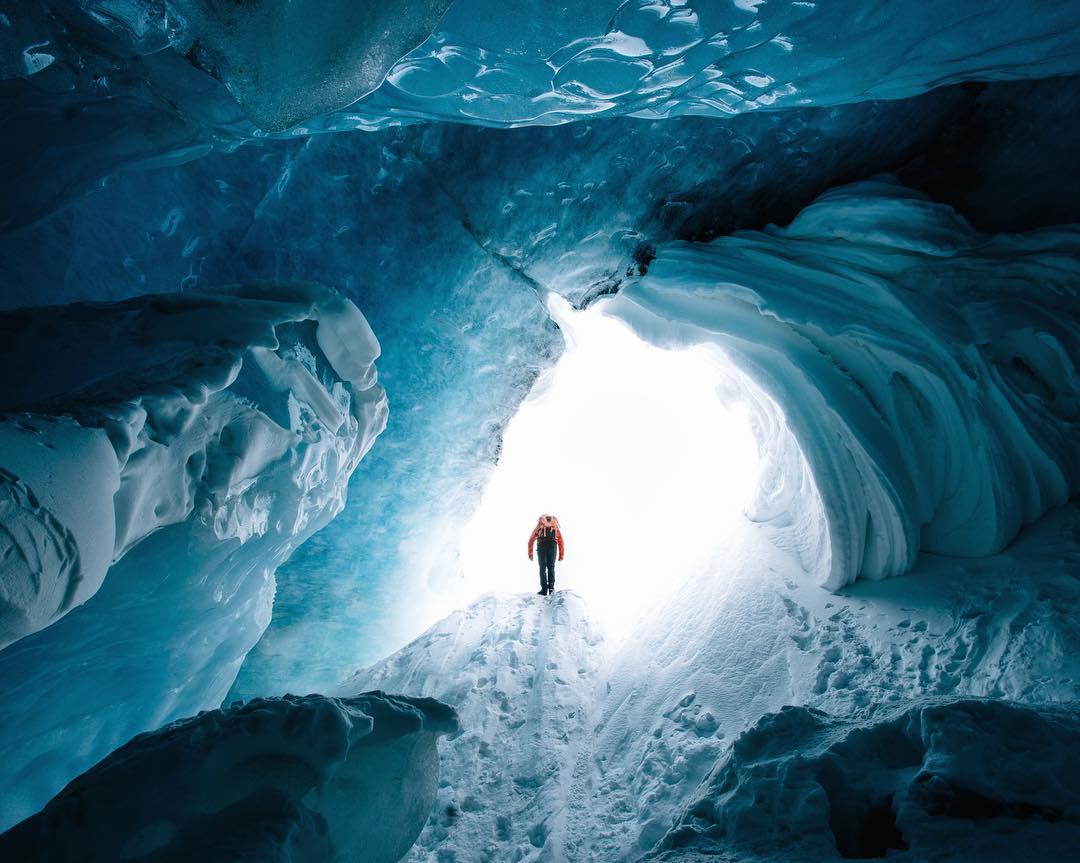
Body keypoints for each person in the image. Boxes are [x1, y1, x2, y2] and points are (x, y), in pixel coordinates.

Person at [527, 514, 565, 596]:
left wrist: (530, 553)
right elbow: (561, 541)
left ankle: (544, 589)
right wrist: (561, 555)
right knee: (551, 567)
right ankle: (551, 589)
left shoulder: (540, 526)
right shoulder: (554, 526)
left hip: (542, 545)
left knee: (542, 568)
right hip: (552, 545)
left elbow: (531, 539)